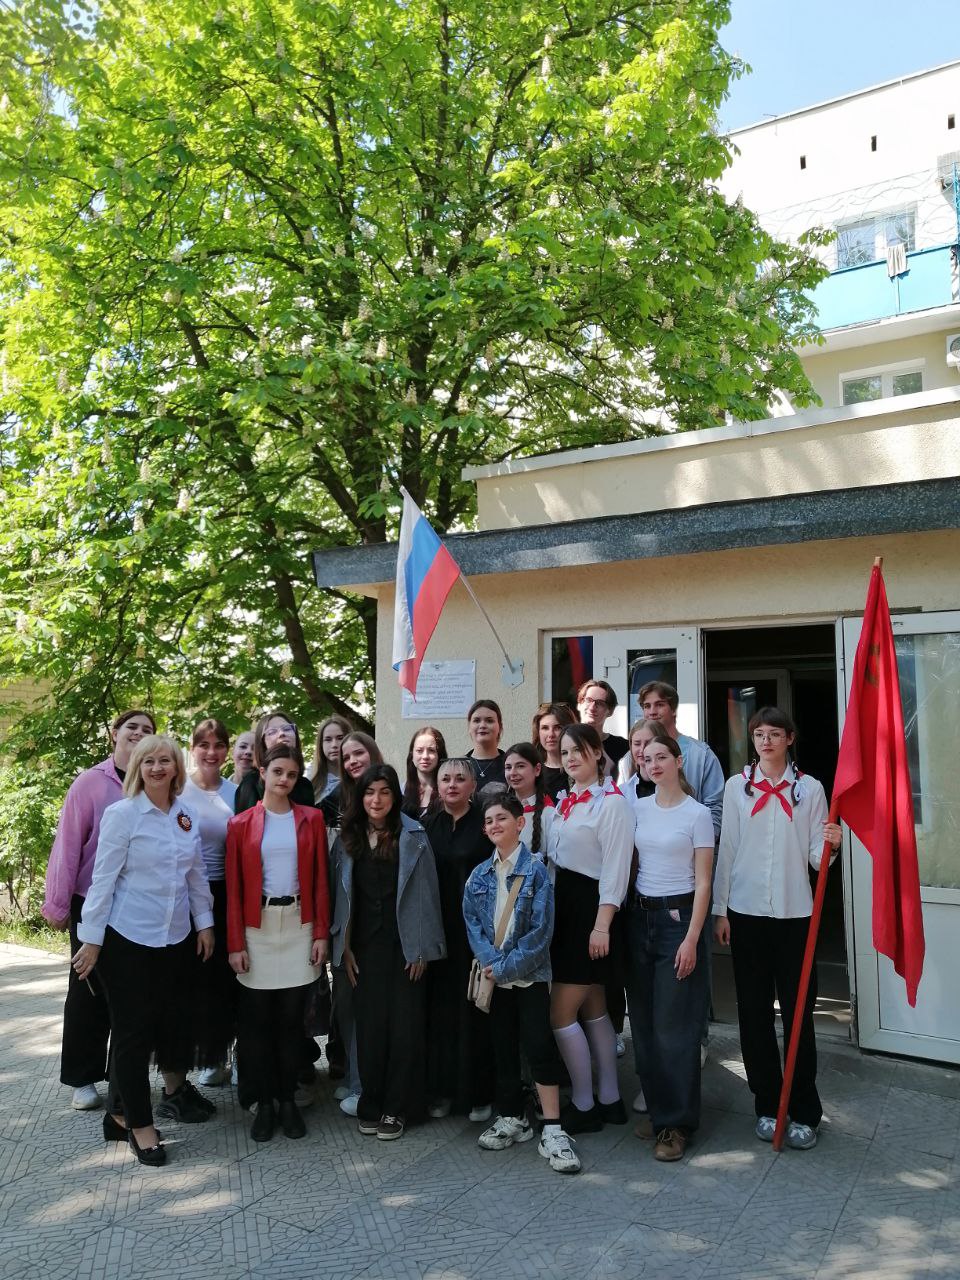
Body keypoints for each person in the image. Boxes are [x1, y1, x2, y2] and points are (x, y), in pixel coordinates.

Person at [71, 735, 215, 1167]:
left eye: (165, 760)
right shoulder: (122, 815)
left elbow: (196, 876)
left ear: (176, 768)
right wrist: (91, 939)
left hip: (175, 939)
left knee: (166, 1028)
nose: (157, 767)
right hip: (127, 940)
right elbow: (102, 880)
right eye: (148, 761)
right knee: (132, 1035)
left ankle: (118, 1117)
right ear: (137, 768)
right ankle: (139, 1126)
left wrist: (205, 924)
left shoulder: (185, 816)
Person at [713, 708, 841, 1151]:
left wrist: (832, 844)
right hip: (746, 913)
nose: (765, 741)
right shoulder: (737, 787)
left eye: (773, 734)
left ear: (790, 738)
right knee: (753, 1014)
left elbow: (815, 857)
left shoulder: (811, 789)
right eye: (758, 734)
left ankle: (804, 1108)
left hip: (794, 915)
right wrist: (721, 910)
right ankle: (767, 1104)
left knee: (798, 1012)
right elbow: (728, 850)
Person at [43, 708, 157, 1111]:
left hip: (136, 906)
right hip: (90, 902)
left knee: (128, 992)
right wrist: (57, 904)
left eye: (147, 729)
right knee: (86, 987)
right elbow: (67, 845)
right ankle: (82, 1077)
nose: (138, 733)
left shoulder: (153, 782)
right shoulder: (90, 783)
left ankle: (121, 1076)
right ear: (114, 734)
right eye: (132, 727)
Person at [462, 795, 580, 1174]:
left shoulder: (536, 872)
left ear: (520, 823)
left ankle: (553, 1128)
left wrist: (505, 968)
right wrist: (492, 964)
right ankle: (513, 1116)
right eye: (489, 821)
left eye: (502, 818)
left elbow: (539, 934)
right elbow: (473, 925)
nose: (495, 825)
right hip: (496, 979)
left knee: (538, 1045)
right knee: (503, 1046)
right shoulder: (479, 876)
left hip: (529, 977)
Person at [332, 765, 445, 1140]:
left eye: (384, 792)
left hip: (405, 947)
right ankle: (372, 1103)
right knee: (369, 1029)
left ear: (395, 796)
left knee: (404, 1030)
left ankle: (397, 1108)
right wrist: (344, 948)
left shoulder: (414, 835)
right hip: (364, 950)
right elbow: (340, 899)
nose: (376, 800)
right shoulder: (347, 838)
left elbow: (428, 895)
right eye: (369, 792)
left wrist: (422, 949)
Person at [226, 743, 331, 1142]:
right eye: (278, 772)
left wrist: (320, 933)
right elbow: (234, 890)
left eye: (291, 774)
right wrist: (236, 943)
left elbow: (321, 881)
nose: (284, 779)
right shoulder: (241, 824)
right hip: (258, 930)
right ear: (263, 773)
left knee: (290, 1024)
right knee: (257, 1026)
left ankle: (288, 1100)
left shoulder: (311, 818)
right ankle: (264, 1103)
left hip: (299, 926)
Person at [624, 734, 714, 1162]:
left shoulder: (697, 814)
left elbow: (704, 882)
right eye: (647, 758)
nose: (654, 764)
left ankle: (676, 1124)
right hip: (639, 920)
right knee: (643, 1024)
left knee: (673, 1027)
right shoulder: (637, 808)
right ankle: (660, 1111)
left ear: (679, 761)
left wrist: (692, 938)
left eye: (662, 757)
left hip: (678, 922)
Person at [548, 723, 634, 1134]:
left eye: (577, 750)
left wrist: (602, 925)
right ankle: (610, 1100)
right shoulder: (566, 802)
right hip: (566, 906)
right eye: (564, 752)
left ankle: (583, 1104)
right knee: (594, 1005)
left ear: (598, 753)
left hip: (591, 911)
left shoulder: (612, 803)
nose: (569, 758)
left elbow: (616, 868)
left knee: (560, 1012)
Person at [422, 758, 495, 1121]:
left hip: (475, 934)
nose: (452, 784)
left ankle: (479, 1094)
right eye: (445, 779)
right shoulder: (426, 826)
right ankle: (443, 1091)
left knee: (475, 1012)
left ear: (472, 787)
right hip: (438, 933)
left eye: (460, 779)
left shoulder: (485, 825)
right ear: (437, 786)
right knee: (440, 1014)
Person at [326, 729, 385, 1109]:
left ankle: (366, 1084)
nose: (351, 761)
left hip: (378, 926)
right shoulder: (335, 802)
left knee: (372, 1008)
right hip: (345, 924)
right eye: (345, 757)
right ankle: (353, 1076)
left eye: (357, 753)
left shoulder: (389, 796)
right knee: (346, 1004)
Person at [181, 718, 238, 1088]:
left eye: (218, 745)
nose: (211, 752)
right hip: (185, 895)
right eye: (204, 745)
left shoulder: (236, 792)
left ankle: (223, 1055)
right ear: (193, 749)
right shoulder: (178, 791)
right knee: (192, 981)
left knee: (223, 979)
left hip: (226, 892)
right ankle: (195, 1058)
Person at [635, 682, 723, 839]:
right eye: (647, 706)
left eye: (659, 705)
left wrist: (701, 846)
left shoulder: (701, 754)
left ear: (674, 709)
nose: (652, 712)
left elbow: (715, 808)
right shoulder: (634, 755)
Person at [234, 712, 316, 813]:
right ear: (262, 743)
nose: (282, 733)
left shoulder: (305, 786)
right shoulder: (251, 784)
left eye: (287, 729)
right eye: (272, 731)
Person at [503, 742, 556, 859]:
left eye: (520, 766)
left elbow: (553, 863)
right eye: (508, 767)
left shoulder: (549, 813)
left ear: (537, 769)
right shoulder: (500, 808)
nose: (513, 773)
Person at [576, 679, 629, 779]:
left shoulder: (622, 747)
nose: (592, 707)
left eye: (599, 703)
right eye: (588, 700)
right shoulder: (566, 742)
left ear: (610, 711)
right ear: (579, 704)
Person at [531, 701, 577, 802]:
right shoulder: (531, 772)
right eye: (545, 728)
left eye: (557, 728)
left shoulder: (579, 768)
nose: (551, 734)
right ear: (538, 732)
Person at [402, 725, 447, 819]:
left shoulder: (449, 791)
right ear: (412, 755)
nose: (425, 756)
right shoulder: (400, 791)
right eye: (419, 750)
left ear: (440, 755)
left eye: (431, 750)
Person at [307, 714, 352, 805]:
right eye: (328, 739)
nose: (334, 745)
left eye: (340, 738)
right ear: (321, 744)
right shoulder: (308, 783)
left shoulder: (360, 778)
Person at [465, 699, 507, 789]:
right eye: (477, 720)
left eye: (489, 721)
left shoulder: (510, 765)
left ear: (500, 727)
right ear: (469, 727)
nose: (482, 725)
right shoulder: (460, 766)